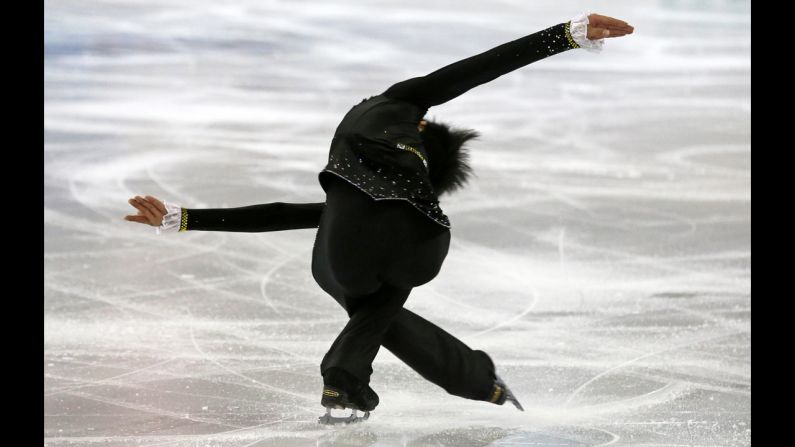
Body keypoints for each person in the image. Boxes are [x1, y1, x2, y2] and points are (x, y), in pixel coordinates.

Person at [125, 12, 634, 424]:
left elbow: (474, 68)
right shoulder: (410, 167)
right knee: (379, 306)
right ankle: (469, 382)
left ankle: (360, 379)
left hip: (352, 247)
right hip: (423, 240)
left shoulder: (399, 101)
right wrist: (565, 37)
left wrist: (186, 219)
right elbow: (480, 68)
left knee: (355, 288)